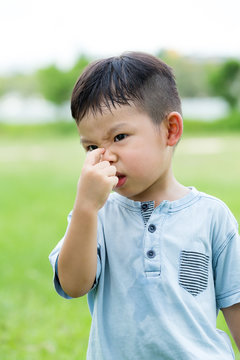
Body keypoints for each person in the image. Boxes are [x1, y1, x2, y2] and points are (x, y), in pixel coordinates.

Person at [49, 52, 240, 359]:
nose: (105, 155)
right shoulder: (95, 216)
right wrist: (85, 209)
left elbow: (235, 305)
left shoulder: (212, 216)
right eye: (92, 147)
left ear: (170, 130)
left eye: (119, 136)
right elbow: (73, 285)